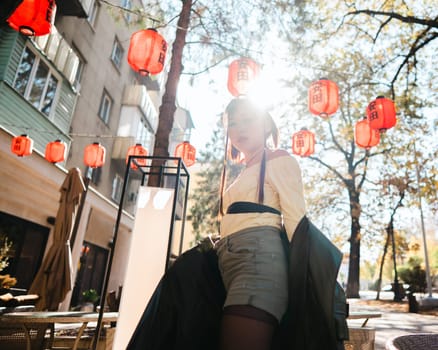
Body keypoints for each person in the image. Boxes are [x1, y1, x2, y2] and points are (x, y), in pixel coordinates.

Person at [216, 97, 306, 350]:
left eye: (248, 120)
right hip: (230, 264)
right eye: (233, 123)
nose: (240, 129)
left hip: (258, 262)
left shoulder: (278, 159)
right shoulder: (244, 170)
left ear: (266, 124)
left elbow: (296, 220)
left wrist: (303, 278)